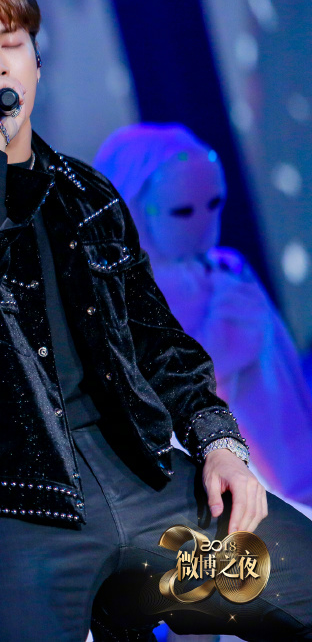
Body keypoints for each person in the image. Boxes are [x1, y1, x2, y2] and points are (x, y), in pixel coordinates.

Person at [0, 0, 312, 640]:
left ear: (36, 62)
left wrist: (219, 444)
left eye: (11, 44)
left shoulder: (88, 195)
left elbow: (159, 342)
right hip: (20, 515)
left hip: (151, 492)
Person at [94, 124, 312, 510]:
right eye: (182, 210)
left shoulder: (229, 270)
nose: (204, 223)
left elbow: (285, 379)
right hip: (222, 483)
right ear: (134, 206)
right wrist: (223, 342)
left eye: (214, 204)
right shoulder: (127, 295)